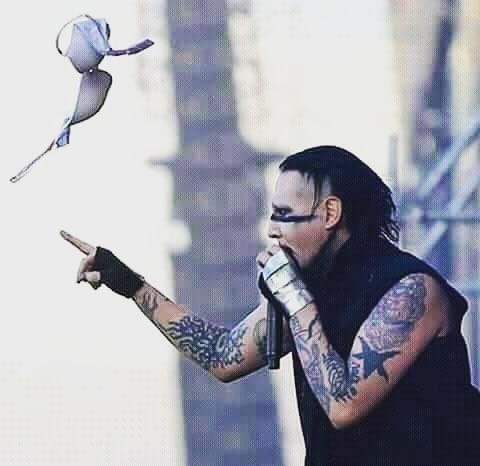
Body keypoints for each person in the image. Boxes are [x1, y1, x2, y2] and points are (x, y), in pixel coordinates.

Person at [61, 145, 479, 466]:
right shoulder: (308, 291)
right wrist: (131, 284)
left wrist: (294, 298)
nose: (272, 230)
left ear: (330, 212)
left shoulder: (410, 291)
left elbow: (345, 403)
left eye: (283, 214)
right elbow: (222, 355)